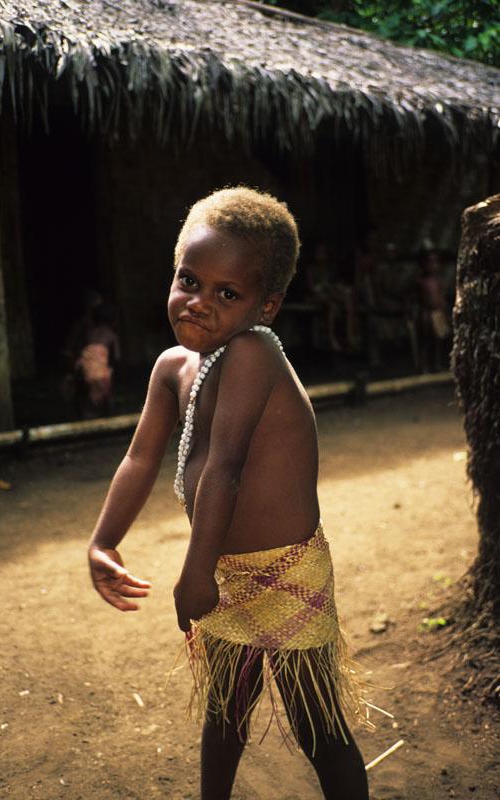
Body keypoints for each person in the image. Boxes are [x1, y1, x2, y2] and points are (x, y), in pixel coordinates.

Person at [87, 187, 371, 800]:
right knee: (225, 712)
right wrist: (103, 540)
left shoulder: (253, 351)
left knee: (316, 723)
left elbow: (225, 467)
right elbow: (139, 458)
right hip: (222, 567)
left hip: (284, 569)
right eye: (189, 279)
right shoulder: (171, 367)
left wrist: (194, 575)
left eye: (227, 293)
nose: (198, 303)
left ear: (266, 307)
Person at [75, 302, 120, 418]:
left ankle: (84, 415)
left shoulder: (88, 333)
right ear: (113, 321)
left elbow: (80, 350)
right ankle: (108, 415)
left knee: (84, 396)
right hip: (100, 374)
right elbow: (117, 357)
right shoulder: (111, 335)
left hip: (81, 369)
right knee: (106, 394)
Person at [416, 247, 451, 372]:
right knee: (425, 340)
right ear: (423, 264)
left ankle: (436, 364)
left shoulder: (439, 280)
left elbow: (442, 297)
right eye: (430, 262)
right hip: (426, 312)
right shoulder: (420, 281)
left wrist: (445, 312)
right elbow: (414, 298)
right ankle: (423, 365)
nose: (433, 265)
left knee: (438, 340)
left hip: (438, 312)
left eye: (436, 262)